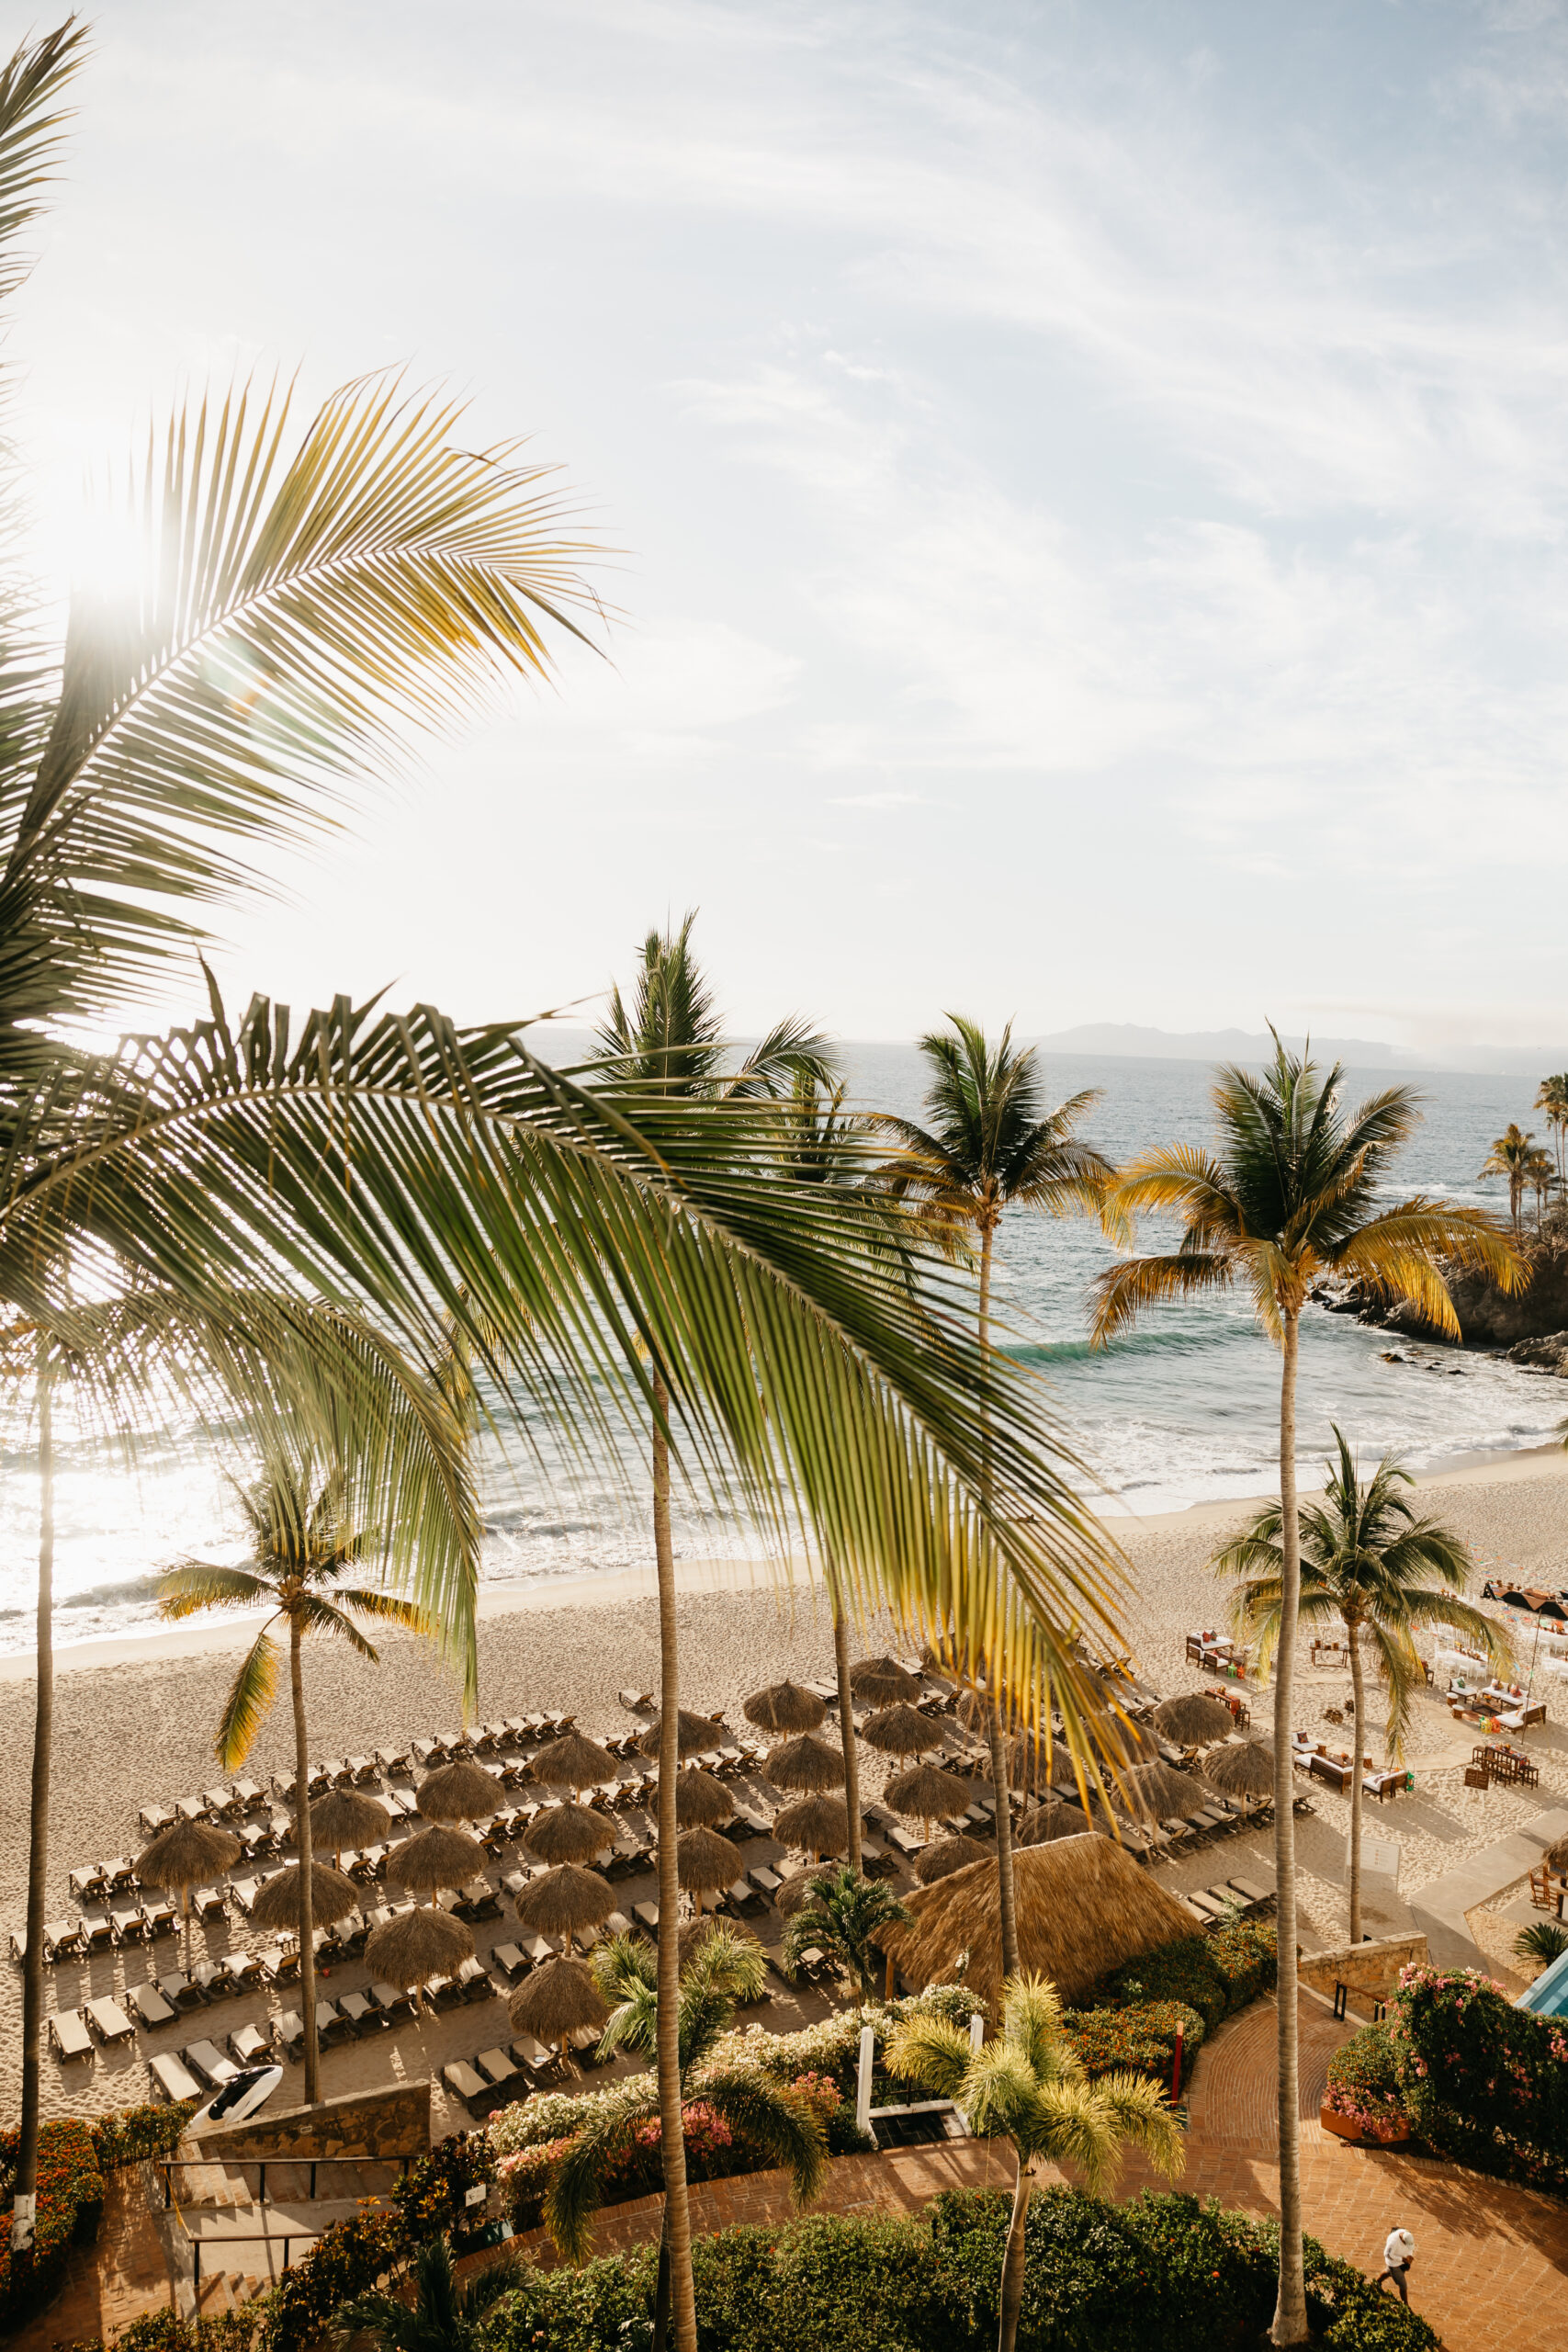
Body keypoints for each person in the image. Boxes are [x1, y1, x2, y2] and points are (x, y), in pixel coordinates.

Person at [1377, 2226, 1416, 2302]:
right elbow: (1387, 2254)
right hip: (1394, 2265)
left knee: (1388, 2272)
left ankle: (1376, 2283)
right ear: (1403, 2240)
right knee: (1403, 2285)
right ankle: (1406, 2304)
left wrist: (1409, 2256)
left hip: (1402, 2262)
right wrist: (1402, 2259)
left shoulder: (1407, 2234)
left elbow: (1410, 2248)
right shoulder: (1393, 2242)